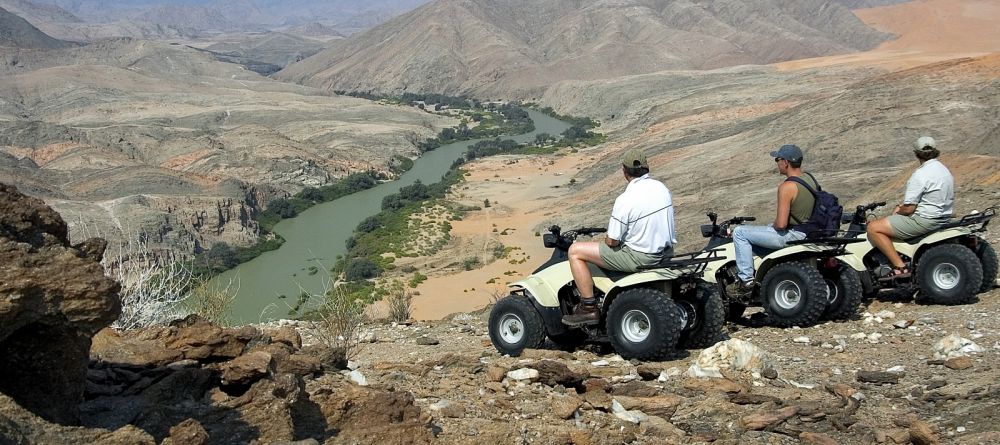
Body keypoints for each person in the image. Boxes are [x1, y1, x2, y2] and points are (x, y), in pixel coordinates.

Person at [562, 148, 677, 326]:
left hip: (640, 257)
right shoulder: (662, 188)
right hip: (666, 253)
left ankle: (588, 307)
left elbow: (613, 240)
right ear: (646, 168)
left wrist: (607, 240)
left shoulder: (626, 199)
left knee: (575, 251)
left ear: (624, 172)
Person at [731, 144, 818, 292]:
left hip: (794, 235)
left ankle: (745, 281)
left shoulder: (787, 186)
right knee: (767, 228)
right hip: (811, 231)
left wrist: (775, 225)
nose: (777, 164)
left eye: (777, 159)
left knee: (739, 233)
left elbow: (782, 224)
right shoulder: (810, 178)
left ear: (785, 162)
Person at [866, 136, 954, 279]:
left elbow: (909, 209)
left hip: (924, 220)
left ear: (916, 153)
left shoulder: (920, 175)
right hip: (941, 217)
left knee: (873, 227)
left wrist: (898, 210)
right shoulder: (944, 170)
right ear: (935, 151)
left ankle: (900, 267)